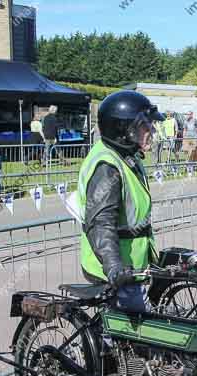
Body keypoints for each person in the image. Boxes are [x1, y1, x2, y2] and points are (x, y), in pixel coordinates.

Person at [77, 90, 162, 312]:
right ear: (125, 131)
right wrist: (114, 267)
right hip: (113, 266)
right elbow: (100, 223)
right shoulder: (107, 168)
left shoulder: (127, 156)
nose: (152, 130)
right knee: (136, 333)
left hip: (134, 265)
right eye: (145, 126)